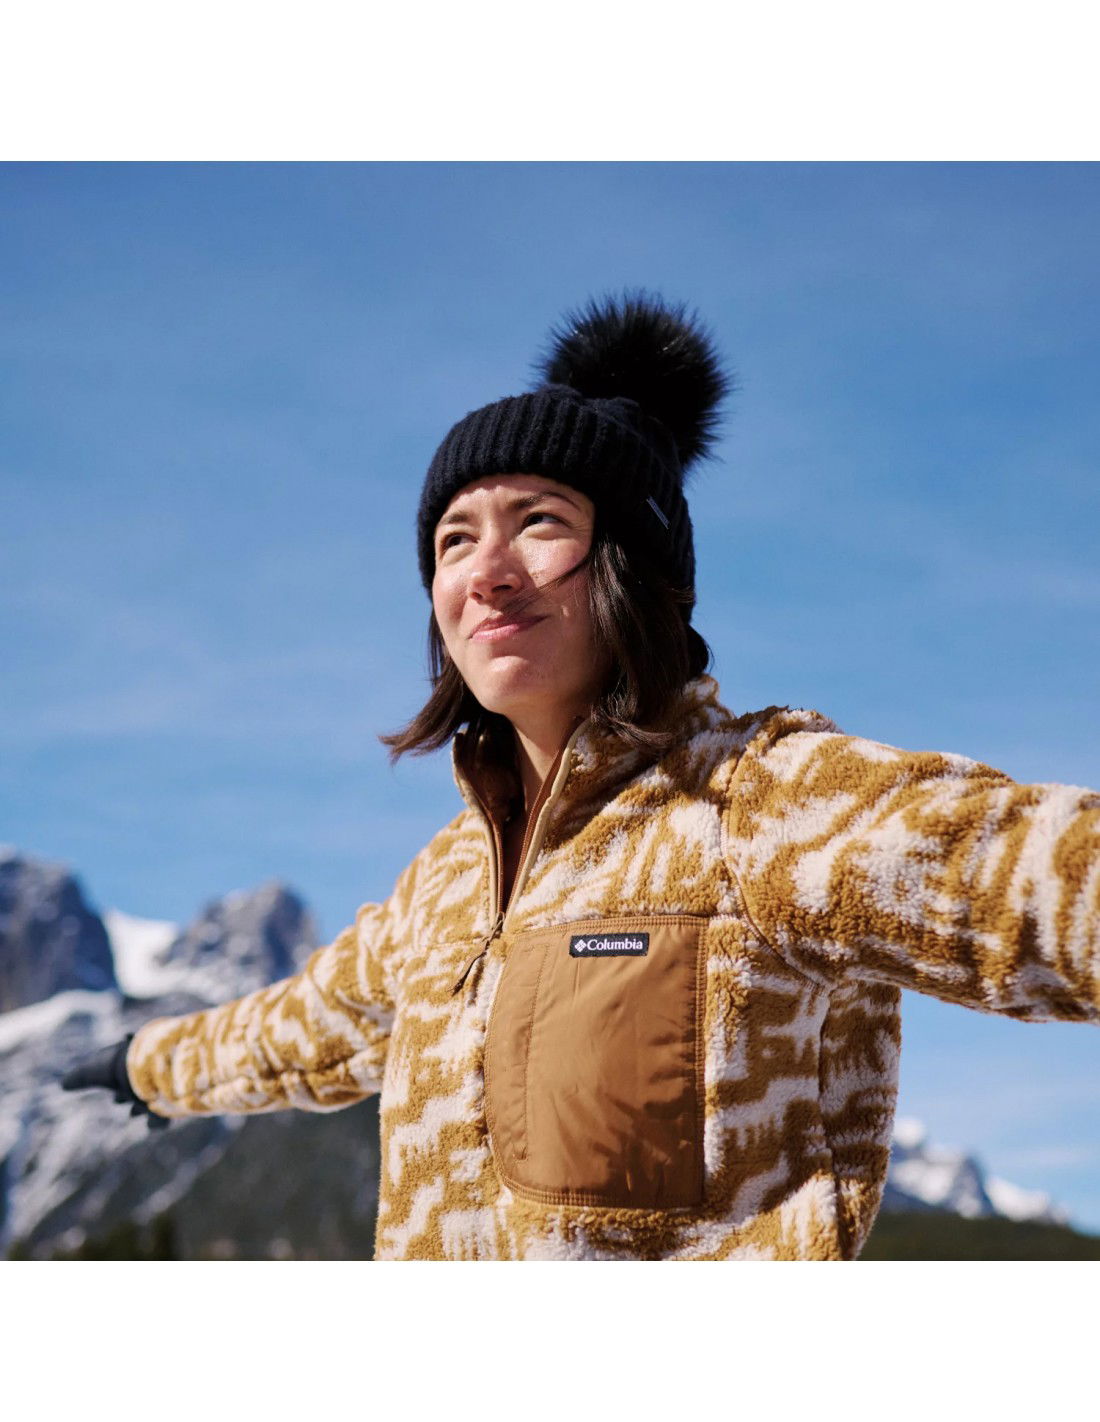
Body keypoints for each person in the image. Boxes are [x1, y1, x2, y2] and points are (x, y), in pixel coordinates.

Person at [62, 293, 1100, 1261]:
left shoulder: (763, 806)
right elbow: (299, 1029)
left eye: (540, 522)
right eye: (453, 540)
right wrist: (142, 1066)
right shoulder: (443, 886)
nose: (486, 571)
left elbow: (1050, 881)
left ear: (636, 569)